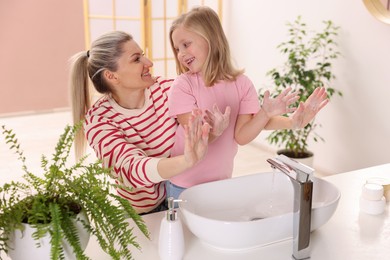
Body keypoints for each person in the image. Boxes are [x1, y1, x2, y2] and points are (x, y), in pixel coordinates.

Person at [167, 6, 328, 199]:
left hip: (222, 182)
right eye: (177, 49)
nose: (181, 54)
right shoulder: (183, 85)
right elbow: (194, 139)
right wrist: (216, 132)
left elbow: (242, 134)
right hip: (184, 185)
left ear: (211, 39)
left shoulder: (241, 84)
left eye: (186, 44)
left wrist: (287, 120)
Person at [69, 31, 211, 214]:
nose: (149, 63)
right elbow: (130, 168)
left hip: (182, 194)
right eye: (137, 59)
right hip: (144, 214)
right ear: (111, 76)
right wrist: (185, 161)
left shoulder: (168, 90)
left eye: (143, 55)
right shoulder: (99, 121)